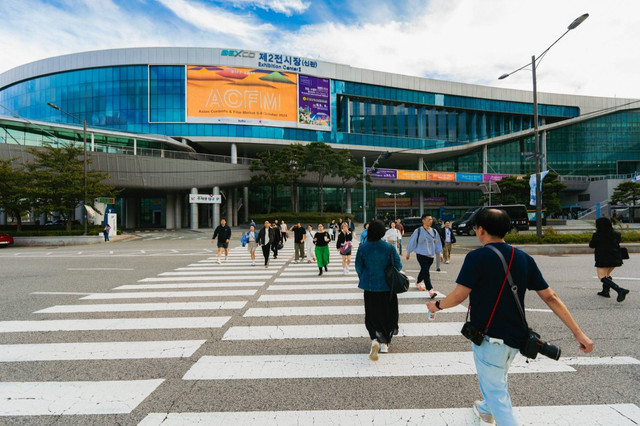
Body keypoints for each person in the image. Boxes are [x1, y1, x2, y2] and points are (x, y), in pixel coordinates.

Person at [427, 208, 593, 426]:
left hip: (489, 338)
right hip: (515, 337)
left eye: (477, 227)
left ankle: (493, 408)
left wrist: (436, 306)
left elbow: (458, 296)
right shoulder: (523, 258)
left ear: (481, 230)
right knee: (497, 380)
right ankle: (486, 409)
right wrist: (578, 333)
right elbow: (550, 297)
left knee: (497, 391)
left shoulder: (476, 257)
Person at [355, 219, 402, 361]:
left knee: (372, 313)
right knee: (388, 313)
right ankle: (385, 343)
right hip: (387, 287)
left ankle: (375, 339)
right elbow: (398, 266)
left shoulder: (363, 247)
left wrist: (364, 277)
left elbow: (358, 267)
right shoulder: (388, 247)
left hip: (370, 287)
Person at [589, 217, 629, 302]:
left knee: (602, 276)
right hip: (615, 258)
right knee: (607, 275)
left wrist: (593, 238)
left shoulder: (597, 235)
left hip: (603, 259)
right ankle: (605, 291)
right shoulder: (617, 234)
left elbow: (592, 245)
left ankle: (620, 290)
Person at [405, 214, 443, 297]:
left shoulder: (434, 231)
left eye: (431, 219)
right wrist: (408, 252)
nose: (431, 221)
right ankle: (430, 290)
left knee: (424, 270)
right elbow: (412, 241)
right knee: (426, 272)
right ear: (423, 220)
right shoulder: (418, 231)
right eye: (429, 219)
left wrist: (439, 253)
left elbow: (437, 242)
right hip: (421, 254)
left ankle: (418, 282)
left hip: (430, 255)